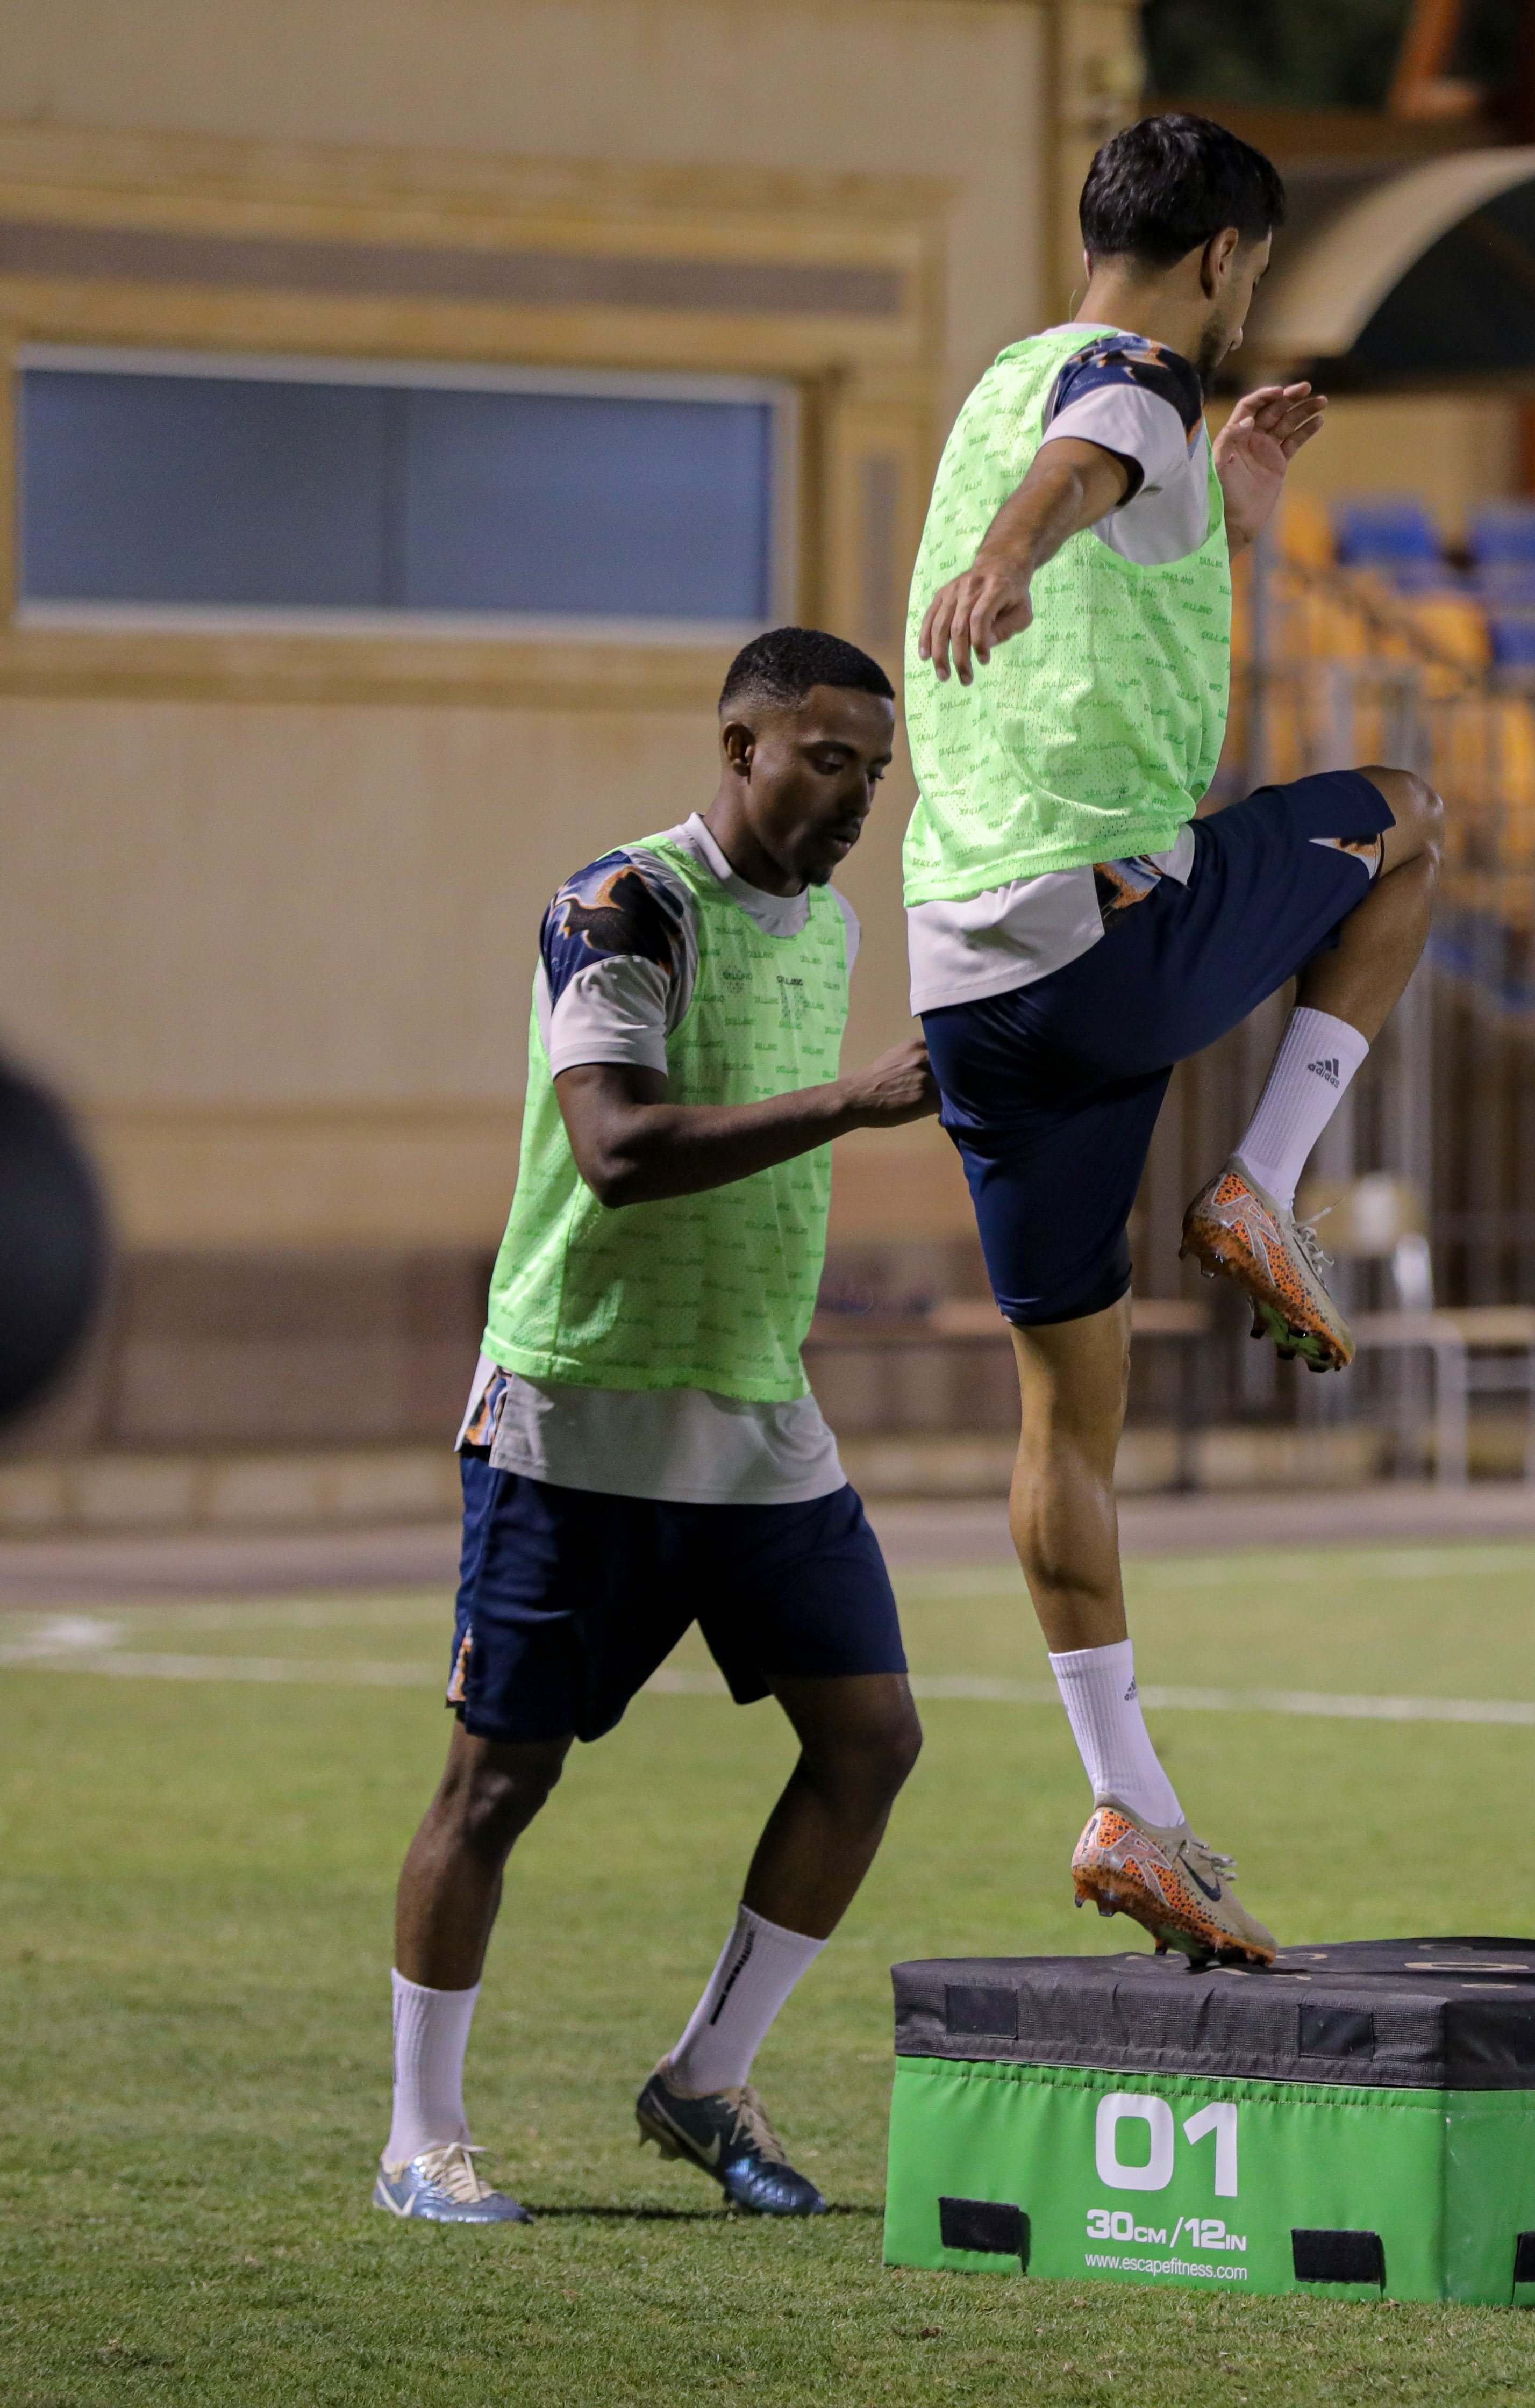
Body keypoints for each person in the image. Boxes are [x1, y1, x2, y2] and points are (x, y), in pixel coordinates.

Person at [903, 113, 1443, 1969]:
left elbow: (1121, 513)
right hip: (1097, 924)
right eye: (1259, 274)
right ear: (1225, 258)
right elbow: (1086, 463)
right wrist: (1008, 546)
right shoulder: (1124, 382)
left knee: (1070, 1415)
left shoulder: (1011, 377)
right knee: (1411, 816)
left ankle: (1129, 1796)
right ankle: (1270, 1187)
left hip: (968, 978)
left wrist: (1234, 501)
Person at [380, 628, 935, 2226]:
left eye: (874, 777)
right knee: (495, 1786)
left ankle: (702, 2082)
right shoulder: (618, 907)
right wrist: (851, 1106)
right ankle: (421, 2140)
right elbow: (614, 1147)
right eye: (826, 762)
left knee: (872, 1740)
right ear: (740, 742)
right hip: (576, 1415)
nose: (852, 802)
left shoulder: (828, 926)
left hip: (758, 1418)